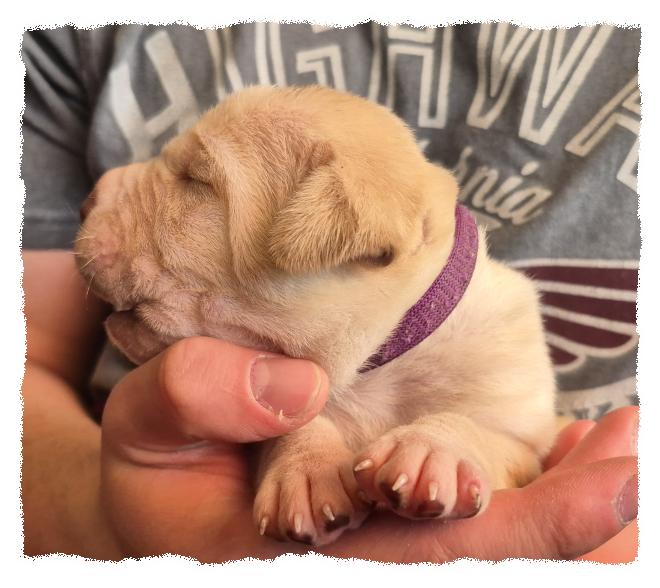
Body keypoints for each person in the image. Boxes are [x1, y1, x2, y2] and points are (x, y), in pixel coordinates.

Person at [22, 23, 639, 561]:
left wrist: (462, 444)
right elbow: (25, 361)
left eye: (196, 180)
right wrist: (116, 531)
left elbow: (518, 443)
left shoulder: (496, 331)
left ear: (333, 235)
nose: (106, 192)